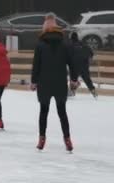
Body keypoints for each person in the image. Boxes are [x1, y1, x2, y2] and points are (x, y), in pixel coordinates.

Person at [31, 13, 79, 152]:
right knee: (62, 112)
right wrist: (74, 79)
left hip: (44, 83)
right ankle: (67, 139)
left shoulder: (40, 44)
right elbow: (72, 63)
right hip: (59, 83)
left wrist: (34, 81)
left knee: (43, 112)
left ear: (45, 27)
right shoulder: (65, 44)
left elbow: (36, 65)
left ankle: (41, 139)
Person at [69, 32, 97, 99]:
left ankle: (72, 91)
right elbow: (91, 54)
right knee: (87, 79)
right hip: (84, 65)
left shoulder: (70, 46)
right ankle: (94, 92)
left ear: (71, 38)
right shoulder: (84, 45)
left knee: (73, 79)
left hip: (74, 66)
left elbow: (67, 56)